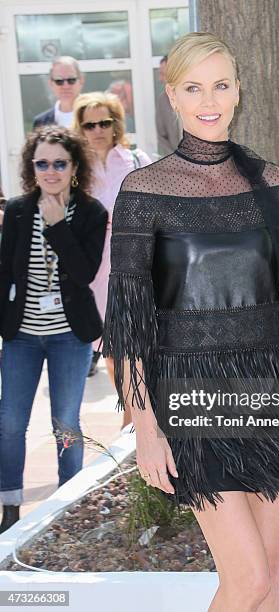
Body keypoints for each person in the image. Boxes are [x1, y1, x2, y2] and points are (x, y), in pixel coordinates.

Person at [102, 33, 279, 611]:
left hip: (273, 388)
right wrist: (145, 426)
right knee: (247, 582)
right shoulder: (145, 190)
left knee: (268, 578)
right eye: (194, 87)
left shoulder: (271, 182)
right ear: (172, 96)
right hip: (190, 398)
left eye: (220, 84)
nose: (208, 99)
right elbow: (131, 323)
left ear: (239, 91)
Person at [0, 126, 108, 533]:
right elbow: (4, 271)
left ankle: (68, 501)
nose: (50, 171)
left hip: (69, 336)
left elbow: (83, 273)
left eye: (59, 163)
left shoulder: (93, 212)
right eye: (42, 163)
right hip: (21, 336)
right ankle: (10, 504)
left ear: (74, 166)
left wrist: (58, 224)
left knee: (65, 421)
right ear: (32, 167)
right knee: (10, 421)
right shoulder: (17, 209)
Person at [72, 92, 151, 431]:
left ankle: (136, 418)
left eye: (104, 122)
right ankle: (130, 414)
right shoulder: (75, 168)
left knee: (135, 343)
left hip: (135, 264)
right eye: (90, 124)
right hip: (95, 270)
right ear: (81, 128)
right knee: (109, 346)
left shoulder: (135, 159)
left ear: (116, 123)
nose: (98, 130)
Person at [32, 57, 85, 129]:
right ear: (51, 83)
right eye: (59, 81)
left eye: (71, 80)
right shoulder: (41, 122)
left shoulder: (95, 115)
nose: (66, 86)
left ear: (81, 80)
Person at [155, 55, 182, 156]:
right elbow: (161, 137)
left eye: (163, 74)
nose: (160, 79)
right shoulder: (162, 101)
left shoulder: (196, 95)